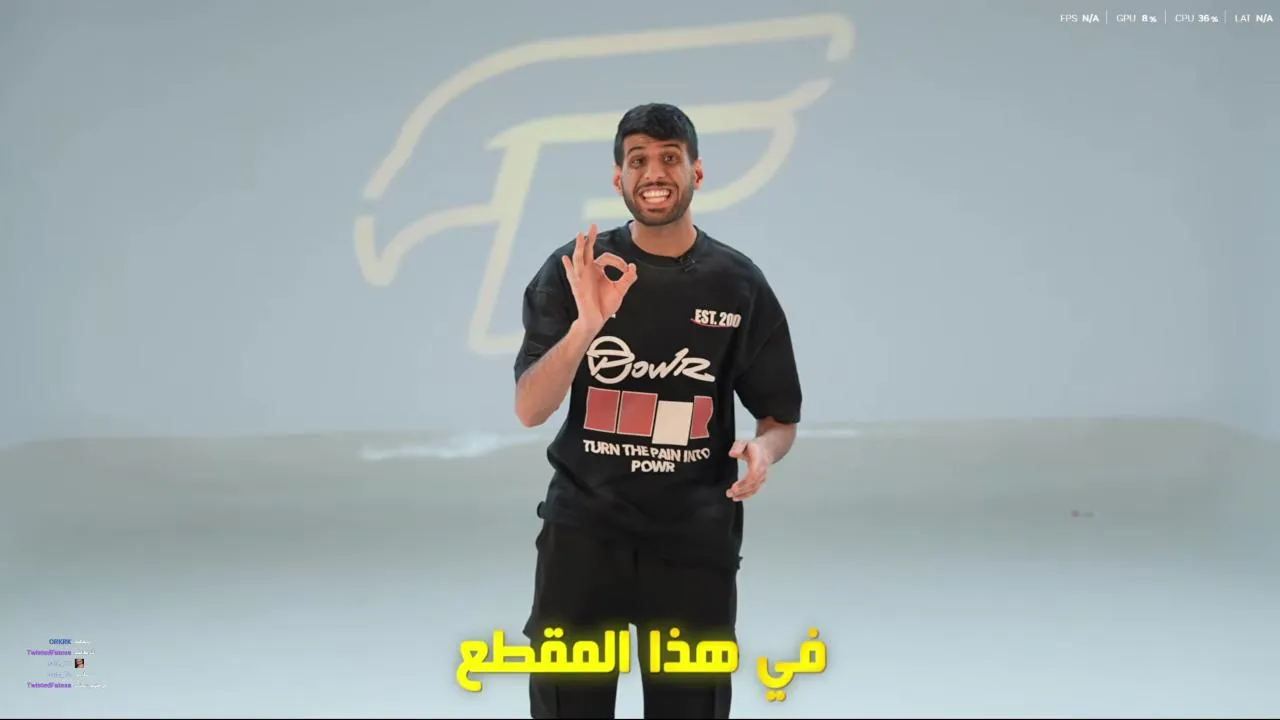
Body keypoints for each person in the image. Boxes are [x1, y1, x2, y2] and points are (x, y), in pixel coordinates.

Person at [512, 102, 803, 719]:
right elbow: (530, 409)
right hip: (584, 533)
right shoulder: (577, 270)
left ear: (697, 171)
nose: (653, 172)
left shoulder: (738, 284)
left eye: (670, 158)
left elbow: (779, 419)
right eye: (637, 159)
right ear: (618, 177)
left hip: (694, 540)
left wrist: (762, 451)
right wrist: (586, 326)